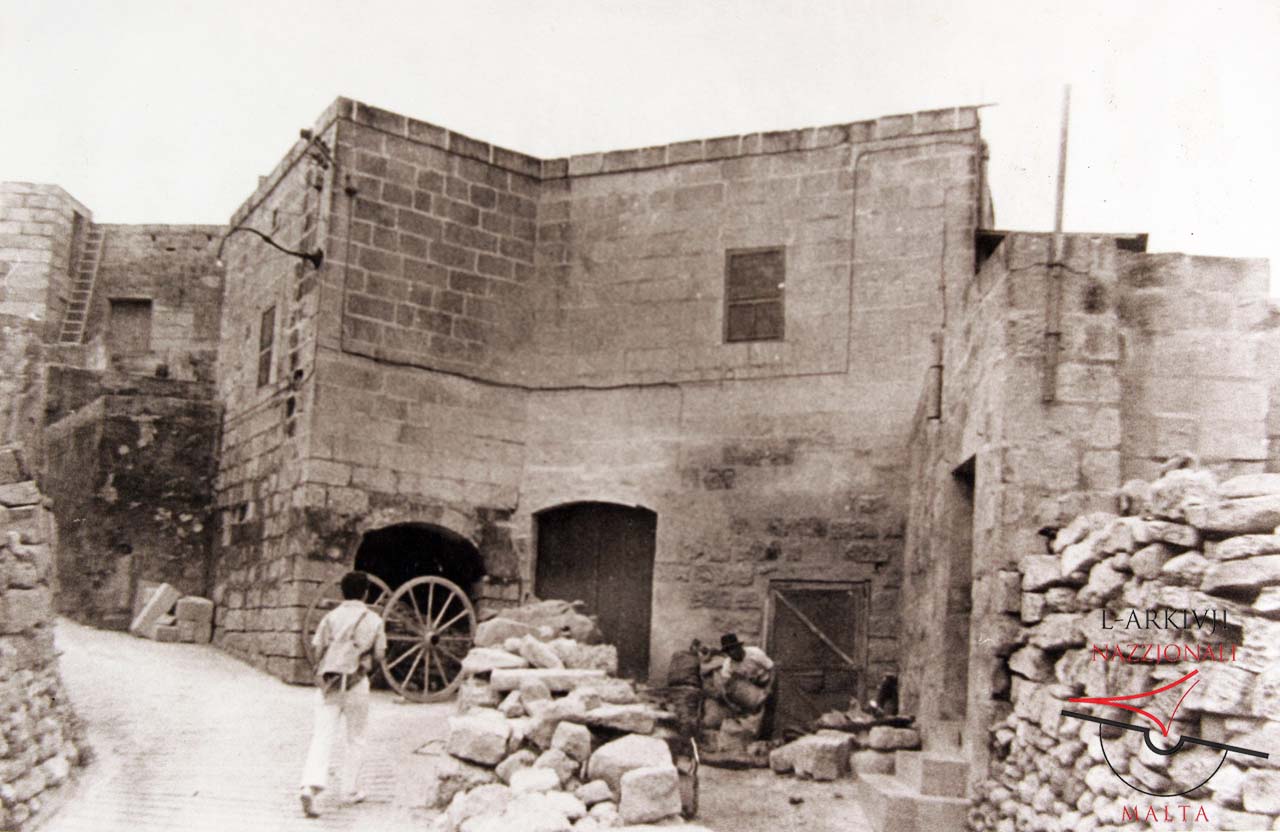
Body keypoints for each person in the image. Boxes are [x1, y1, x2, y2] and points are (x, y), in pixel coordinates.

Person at [299, 570, 387, 818]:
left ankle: (310, 786)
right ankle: (350, 790)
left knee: (322, 736)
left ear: (342, 592)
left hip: (331, 684)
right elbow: (380, 654)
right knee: (356, 738)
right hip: (357, 682)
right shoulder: (374, 620)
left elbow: (317, 649)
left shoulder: (331, 616)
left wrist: (322, 672)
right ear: (366, 593)